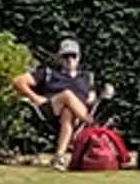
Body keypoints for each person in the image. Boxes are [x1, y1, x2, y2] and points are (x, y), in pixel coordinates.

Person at [14, 39, 107, 170]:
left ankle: (59, 157)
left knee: (68, 113)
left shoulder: (86, 77)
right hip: (51, 109)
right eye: (66, 56)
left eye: (73, 56)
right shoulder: (48, 73)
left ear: (79, 57)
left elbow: (91, 99)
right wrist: (35, 97)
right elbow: (18, 81)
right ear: (59, 58)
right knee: (67, 95)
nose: (69, 60)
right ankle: (93, 125)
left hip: (75, 115)